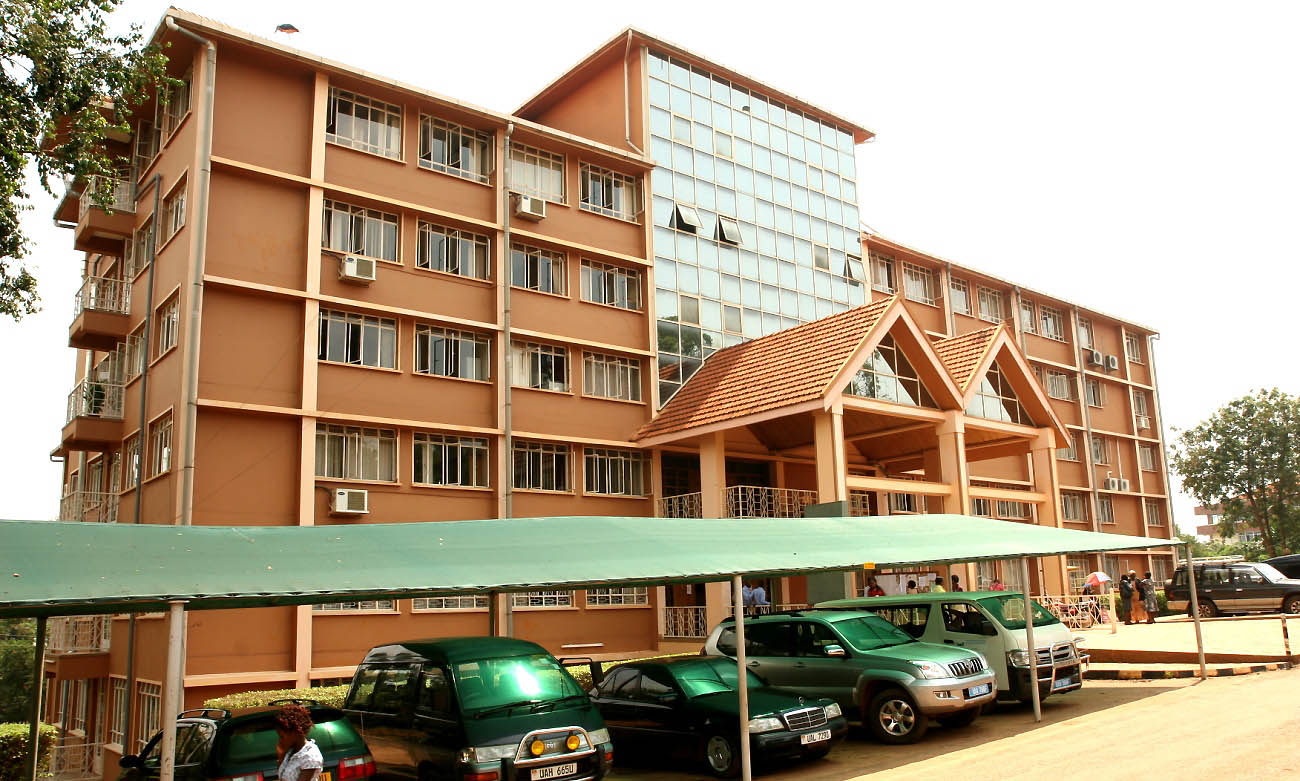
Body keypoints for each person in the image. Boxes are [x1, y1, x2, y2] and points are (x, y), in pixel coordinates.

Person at [274, 704, 322, 781]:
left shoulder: (310, 756)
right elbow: (281, 776)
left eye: (282, 736)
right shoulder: (291, 750)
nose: (280, 740)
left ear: (295, 732)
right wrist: (281, 756)